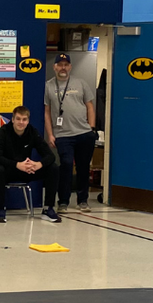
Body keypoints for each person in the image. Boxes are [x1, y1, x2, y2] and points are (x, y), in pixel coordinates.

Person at [43, 52, 98, 212]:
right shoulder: (48, 86)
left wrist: (92, 128)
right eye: (60, 65)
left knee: (83, 167)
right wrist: (50, 134)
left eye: (66, 65)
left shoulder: (81, 83)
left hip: (84, 133)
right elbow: (47, 112)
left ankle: (83, 200)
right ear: (54, 67)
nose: (63, 68)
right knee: (66, 165)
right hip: (63, 135)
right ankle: (63, 201)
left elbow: (90, 106)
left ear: (70, 67)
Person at [0, 105, 61, 224]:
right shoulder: (4, 131)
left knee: (53, 168)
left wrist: (39, 164)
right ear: (13, 120)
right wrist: (17, 164)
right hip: (9, 170)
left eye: (24, 119)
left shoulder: (32, 132)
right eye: (18, 119)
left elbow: (50, 156)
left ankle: (48, 209)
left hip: (27, 170)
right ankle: (1, 210)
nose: (21, 122)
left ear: (28, 121)